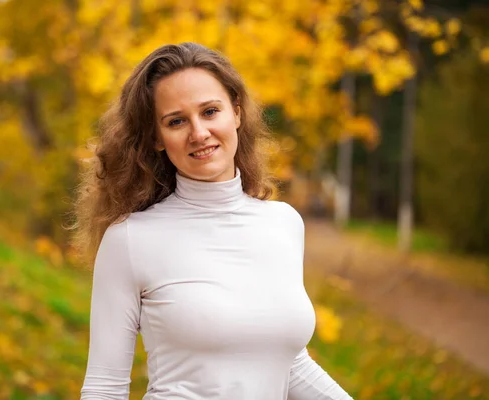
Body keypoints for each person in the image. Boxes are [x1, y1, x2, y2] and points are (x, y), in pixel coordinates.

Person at [73, 42, 353, 400]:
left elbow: (288, 362)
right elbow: (104, 387)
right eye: (176, 121)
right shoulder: (130, 240)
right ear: (157, 138)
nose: (199, 133)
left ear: (236, 113)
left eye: (209, 111)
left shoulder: (283, 224)